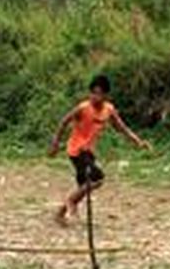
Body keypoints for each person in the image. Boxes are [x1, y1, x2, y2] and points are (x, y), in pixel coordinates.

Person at [48, 74, 152, 225]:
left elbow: (121, 128)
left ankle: (61, 212)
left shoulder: (108, 110)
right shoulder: (83, 108)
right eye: (93, 93)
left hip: (88, 151)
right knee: (97, 179)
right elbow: (64, 122)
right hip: (76, 150)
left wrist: (138, 142)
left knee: (85, 186)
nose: (95, 97)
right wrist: (55, 144)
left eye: (99, 94)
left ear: (106, 95)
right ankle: (70, 202)